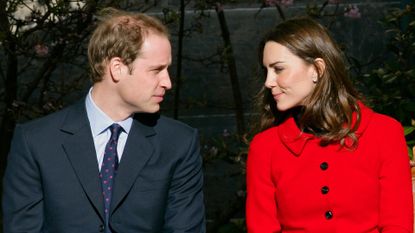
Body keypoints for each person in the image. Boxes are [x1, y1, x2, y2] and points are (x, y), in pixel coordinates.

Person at [2, 7, 205, 233]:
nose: (167, 82)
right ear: (117, 68)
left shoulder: (178, 143)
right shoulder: (36, 142)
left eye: (166, 69)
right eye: (156, 70)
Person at [246, 17, 414, 233]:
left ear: (317, 68)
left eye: (278, 69)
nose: (268, 82)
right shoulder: (265, 148)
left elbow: (397, 226)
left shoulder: (384, 133)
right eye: (266, 71)